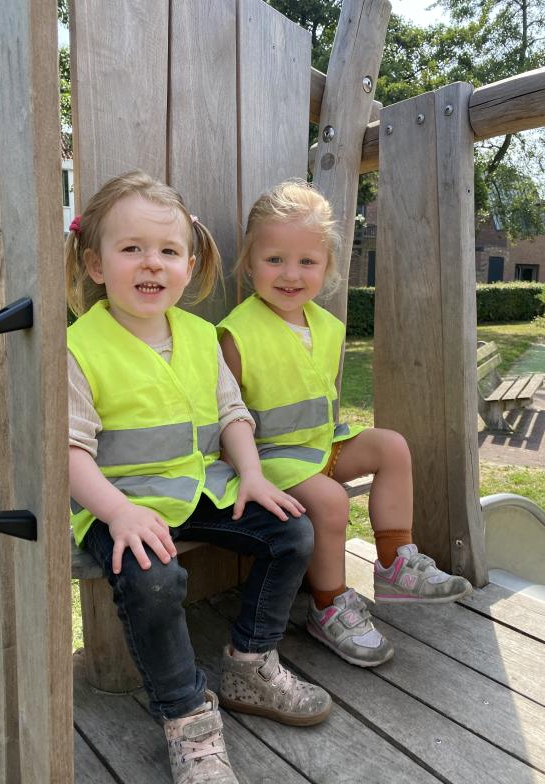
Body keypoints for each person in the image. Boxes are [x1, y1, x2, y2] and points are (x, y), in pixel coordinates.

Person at [65, 172, 331, 784]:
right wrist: (117, 514)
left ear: (189, 265)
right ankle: (187, 717)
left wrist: (255, 476)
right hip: (122, 503)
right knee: (153, 579)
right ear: (96, 265)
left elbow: (234, 414)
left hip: (202, 486)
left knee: (290, 532)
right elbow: (72, 452)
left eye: (167, 251)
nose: (150, 263)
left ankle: (249, 661)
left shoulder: (202, 336)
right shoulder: (81, 347)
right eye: (131, 248)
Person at [218, 179, 473, 669]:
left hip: (320, 447)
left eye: (307, 262)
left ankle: (395, 561)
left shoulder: (329, 328)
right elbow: (226, 418)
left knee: (391, 445)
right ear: (249, 263)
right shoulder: (236, 334)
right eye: (274, 260)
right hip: (269, 459)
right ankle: (328, 602)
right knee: (332, 500)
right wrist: (244, 469)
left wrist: (334, 447)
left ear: (328, 267)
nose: (291, 274)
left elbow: (322, 404)